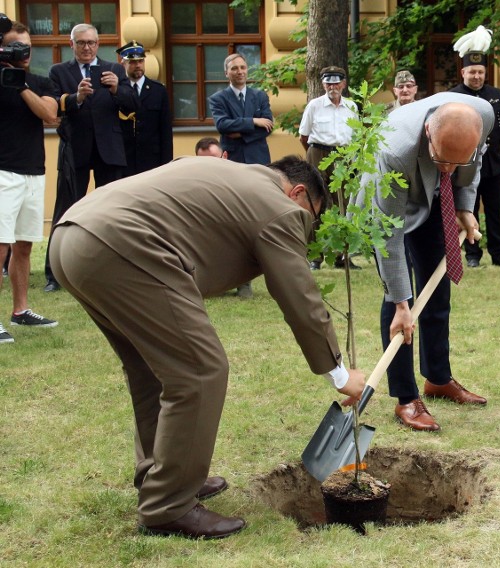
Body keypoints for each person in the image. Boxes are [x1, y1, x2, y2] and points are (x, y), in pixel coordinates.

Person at [49, 155, 366, 539]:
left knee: (153, 370)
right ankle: (167, 506)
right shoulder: (278, 207)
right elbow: (298, 294)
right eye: (311, 220)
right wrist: (339, 373)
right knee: (200, 370)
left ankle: (164, 476)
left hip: (71, 237)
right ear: (298, 192)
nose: (306, 231)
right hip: (123, 244)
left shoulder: (231, 177)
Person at [360, 93, 492, 432]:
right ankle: (406, 398)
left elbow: (471, 168)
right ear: (429, 132)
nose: (448, 167)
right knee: (397, 301)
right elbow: (388, 238)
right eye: (442, 159)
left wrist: (464, 207)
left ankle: (437, 377)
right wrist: (403, 303)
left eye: (455, 162)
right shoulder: (395, 148)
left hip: (437, 197)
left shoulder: (483, 117)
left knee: (437, 287)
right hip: (393, 201)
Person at [43, 23, 137, 292]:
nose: (87, 47)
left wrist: (118, 88)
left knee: (112, 212)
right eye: (81, 43)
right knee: (66, 210)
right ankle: (55, 274)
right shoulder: (59, 71)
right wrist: (77, 97)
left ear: (98, 44)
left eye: (91, 43)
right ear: (71, 44)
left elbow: (132, 105)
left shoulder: (115, 68)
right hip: (76, 149)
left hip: (109, 150)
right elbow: (53, 108)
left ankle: (114, 269)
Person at [0, 21, 60, 344]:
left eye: (27, 48)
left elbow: (50, 115)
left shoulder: (37, 81)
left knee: (23, 245)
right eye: (16, 48)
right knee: (0, 246)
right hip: (3, 173)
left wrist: (19, 84)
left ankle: (20, 311)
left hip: (34, 172)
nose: (24, 53)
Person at [448, 26, 500, 269]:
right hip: (466, 163)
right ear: (463, 72)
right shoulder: (453, 95)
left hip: (493, 163)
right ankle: (472, 254)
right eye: (472, 72)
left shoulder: (496, 94)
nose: (476, 76)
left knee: (496, 210)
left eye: (480, 72)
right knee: (469, 207)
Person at [208, 53, 275, 298]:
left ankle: (259, 273)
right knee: (234, 219)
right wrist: (253, 122)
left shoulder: (259, 95)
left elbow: (268, 125)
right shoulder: (218, 98)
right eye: (234, 68)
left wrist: (244, 127)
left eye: (243, 67)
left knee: (259, 218)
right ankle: (237, 280)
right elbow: (223, 126)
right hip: (232, 164)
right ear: (227, 73)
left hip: (258, 163)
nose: (240, 71)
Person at [298, 65, 359, 270]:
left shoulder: (352, 106)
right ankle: (315, 256)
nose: (332, 86)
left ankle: (343, 256)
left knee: (344, 205)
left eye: (336, 82)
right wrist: (316, 154)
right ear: (323, 84)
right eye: (328, 82)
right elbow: (304, 137)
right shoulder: (314, 106)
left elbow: (356, 136)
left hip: (343, 156)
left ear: (343, 84)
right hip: (318, 152)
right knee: (316, 202)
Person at [117, 41, 173, 177]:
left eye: (141, 61)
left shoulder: (158, 90)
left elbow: (165, 130)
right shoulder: (117, 89)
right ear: (123, 64)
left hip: (152, 160)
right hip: (124, 159)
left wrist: (167, 164)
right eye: (132, 62)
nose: (138, 66)